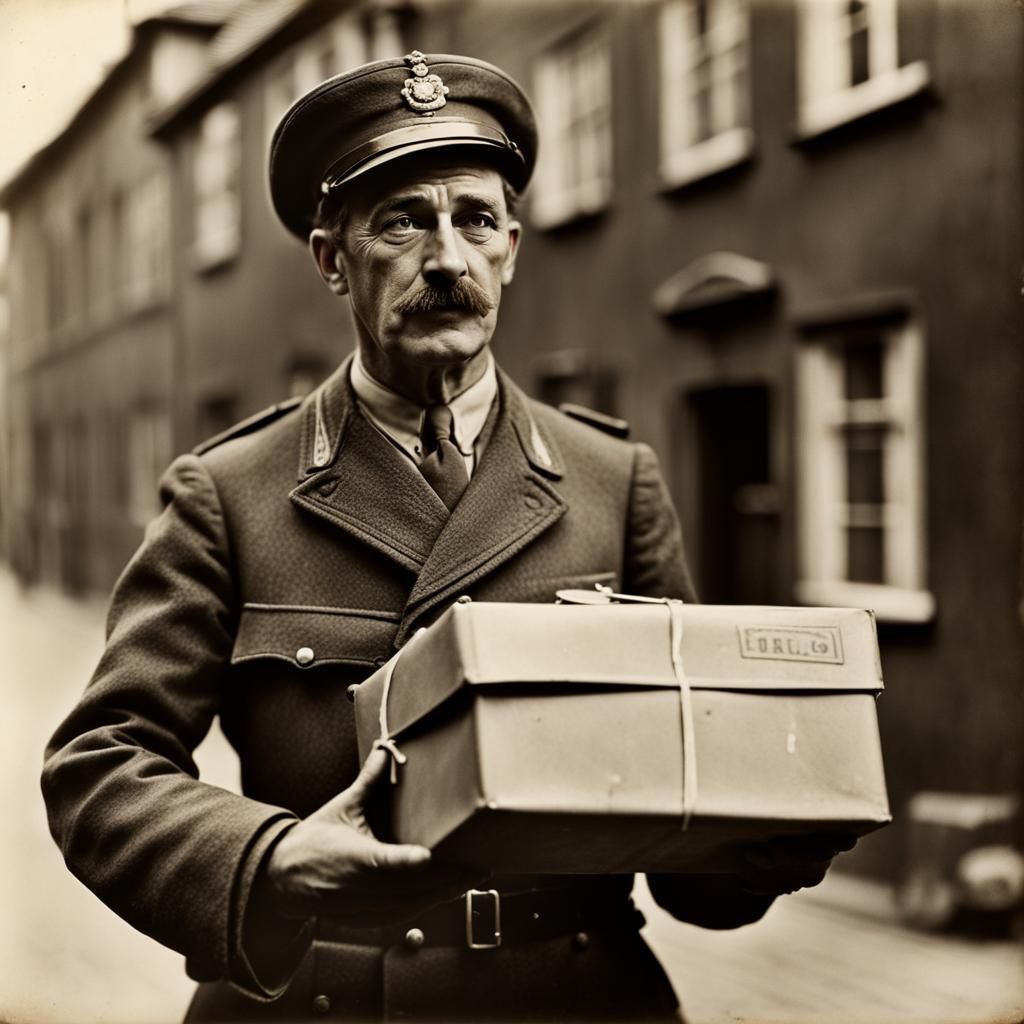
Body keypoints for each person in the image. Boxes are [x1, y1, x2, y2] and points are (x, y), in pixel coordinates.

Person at [42, 51, 854, 1022]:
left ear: (512, 245)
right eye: (402, 222)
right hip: (324, 996)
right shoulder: (230, 491)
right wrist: (270, 859)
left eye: (473, 219)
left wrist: (765, 841)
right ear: (331, 257)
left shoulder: (610, 479)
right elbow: (100, 764)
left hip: (573, 992)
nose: (446, 260)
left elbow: (680, 846)